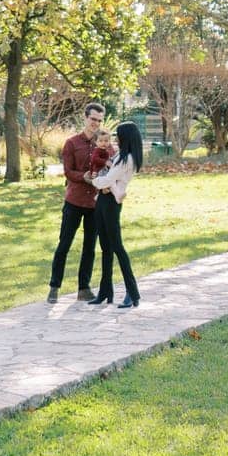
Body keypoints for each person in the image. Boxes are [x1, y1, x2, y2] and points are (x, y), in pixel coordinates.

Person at [47, 100, 105, 304]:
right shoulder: (72, 143)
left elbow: (111, 165)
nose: (95, 123)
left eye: (99, 120)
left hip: (95, 204)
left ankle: (84, 288)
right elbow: (68, 171)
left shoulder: (103, 143)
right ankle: (54, 287)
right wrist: (84, 177)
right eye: (92, 119)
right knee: (64, 244)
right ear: (85, 118)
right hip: (74, 201)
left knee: (90, 246)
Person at [89, 120, 143, 309]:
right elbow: (107, 178)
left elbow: (107, 181)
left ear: (126, 137)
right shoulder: (120, 155)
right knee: (105, 247)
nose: (116, 139)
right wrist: (100, 182)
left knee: (117, 247)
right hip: (103, 201)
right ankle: (105, 292)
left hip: (111, 203)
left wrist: (95, 181)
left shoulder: (127, 158)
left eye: (119, 135)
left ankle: (132, 292)